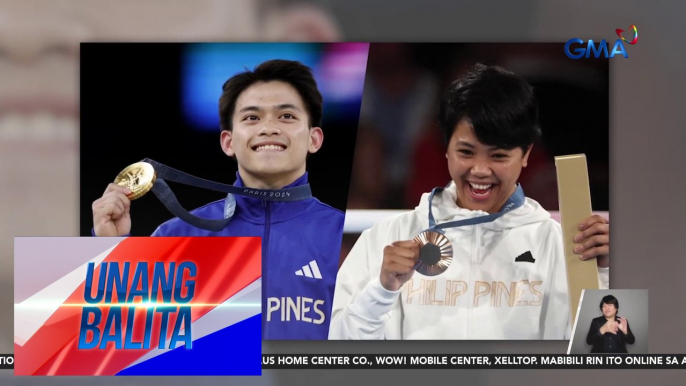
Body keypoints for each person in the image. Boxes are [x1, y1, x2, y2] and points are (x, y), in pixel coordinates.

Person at [329, 63, 610, 340]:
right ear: (446, 149)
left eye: (498, 156)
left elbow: (616, 358)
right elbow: (333, 355)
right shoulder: (386, 237)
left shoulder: (559, 244)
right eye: (466, 152)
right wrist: (380, 291)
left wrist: (606, 273)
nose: (479, 169)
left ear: (525, 155)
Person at [91, 59, 344, 340]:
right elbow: (119, 345)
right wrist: (110, 247)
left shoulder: (347, 237)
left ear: (314, 139)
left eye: (286, 116)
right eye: (252, 117)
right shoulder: (176, 236)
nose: (269, 128)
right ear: (228, 142)